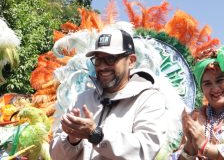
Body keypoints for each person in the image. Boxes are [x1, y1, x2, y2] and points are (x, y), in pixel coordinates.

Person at [49, 28, 167, 160]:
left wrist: (97, 135)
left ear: (131, 61)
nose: (102, 67)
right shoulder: (82, 99)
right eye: (98, 60)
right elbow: (56, 156)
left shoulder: (149, 99)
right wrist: (72, 140)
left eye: (110, 59)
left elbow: (145, 150)